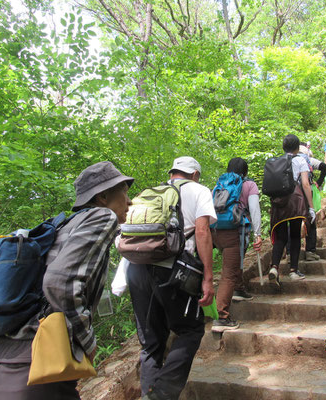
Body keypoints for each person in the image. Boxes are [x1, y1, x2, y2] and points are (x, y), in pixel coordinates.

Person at [0, 161, 134, 400]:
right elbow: (59, 283)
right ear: (102, 197)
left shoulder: (65, 224)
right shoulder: (102, 216)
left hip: (1, 363)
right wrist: (87, 342)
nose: (130, 201)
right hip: (36, 367)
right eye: (124, 192)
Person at [126, 156, 216, 400]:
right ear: (195, 174)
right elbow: (201, 231)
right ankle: (161, 395)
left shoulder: (152, 192)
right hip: (173, 271)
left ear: (172, 172)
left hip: (136, 268)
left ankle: (149, 394)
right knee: (190, 330)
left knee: (152, 342)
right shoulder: (199, 191)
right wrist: (208, 277)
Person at [211, 157, 262, 333]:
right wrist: (258, 233)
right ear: (245, 171)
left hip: (216, 231)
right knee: (228, 275)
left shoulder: (220, 183)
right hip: (235, 231)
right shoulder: (249, 185)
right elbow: (254, 210)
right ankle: (221, 317)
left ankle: (239, 289)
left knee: (232, 264)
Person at [268, 134, 315, 282]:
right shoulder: (300, 160)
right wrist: (311, 208)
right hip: (294, 200)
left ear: (283, 147)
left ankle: (274, 267)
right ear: (297, 147)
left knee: (281, 236)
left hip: (278, 202)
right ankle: (293, 271)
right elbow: (306, 184)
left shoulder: (277, 161)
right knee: (295, 235)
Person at [298, 145, 326, 261]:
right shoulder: (308, 159)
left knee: (293, 222)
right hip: (306, 192)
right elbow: (324, 167)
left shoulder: (287, 160)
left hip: (292, 196)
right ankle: (310, 251)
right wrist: (319, 182)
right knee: (310, 219)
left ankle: (291, 253)